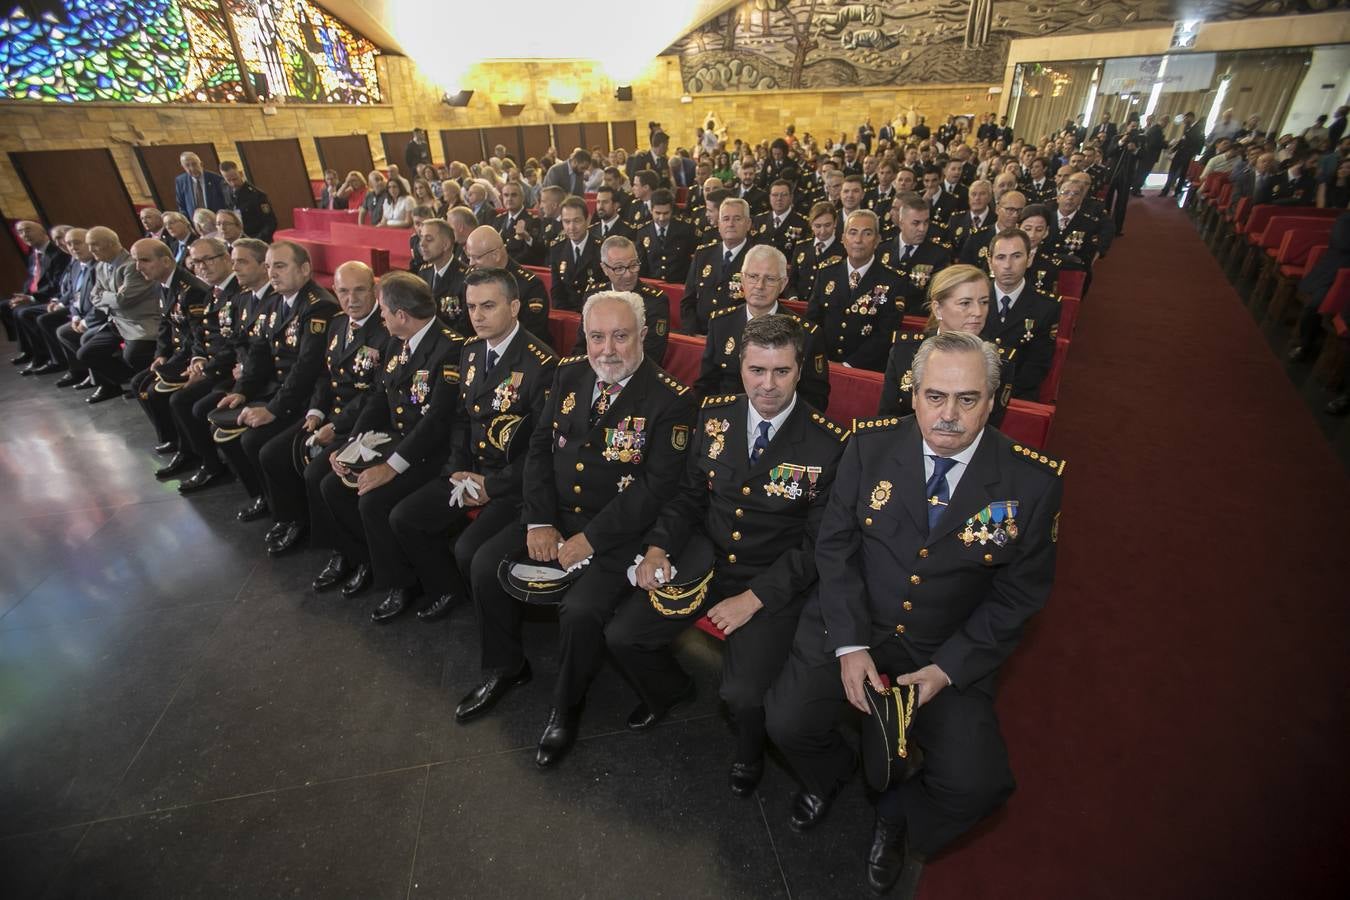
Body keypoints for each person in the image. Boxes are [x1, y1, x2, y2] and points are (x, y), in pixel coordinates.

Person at [765, 329, 1065, 896]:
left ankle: (896, 816)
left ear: (995, 399)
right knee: (784, 722)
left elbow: (1018, 597)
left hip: (944, 647)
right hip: (856, 623)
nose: (948, 415)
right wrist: (849, 646)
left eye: (968, 399)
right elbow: (835, 546)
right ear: (914, 393)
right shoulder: (869, 445)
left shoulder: (1033, 483)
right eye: (934, 396)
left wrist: (948, 669)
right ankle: (828, 778)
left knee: (978, 786)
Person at [454, 290, 694, 766]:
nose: (607, 349)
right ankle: (506, 667)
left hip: (617, 531)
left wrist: (592, 539)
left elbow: (655, 488)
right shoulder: (569, 373)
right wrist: (540, 521)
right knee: (484, 565)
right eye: (596, 336)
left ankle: (566, 707)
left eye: (621, 336)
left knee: (581, 611)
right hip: (556, 513)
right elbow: (539, 450)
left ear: (643, 336)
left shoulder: (671, 400)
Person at [615, 312, 849, 797]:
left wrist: (755, 599)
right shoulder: (715, 414)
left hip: (772, 582)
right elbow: (687, 496)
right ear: (740, 366)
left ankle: (750, 752)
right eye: (756, 370)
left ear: (799, 370)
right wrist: (659, 547)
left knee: (742, 694)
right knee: (623, 635)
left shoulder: (828, 444)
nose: (767, 385)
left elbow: (817, 547)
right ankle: (672, 690)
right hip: (705, 560)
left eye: (781, 371)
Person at [384, 267, 557, 625]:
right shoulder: (472, 351)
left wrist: (490, 486)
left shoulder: (541, 364)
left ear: (514, 307)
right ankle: (448, 590)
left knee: (469, 550)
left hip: (511, 484)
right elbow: (463, 419)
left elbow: (540, 452)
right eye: (472, 306)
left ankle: (512, 617)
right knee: (404, 518)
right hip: (470, 471)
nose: (477, 316)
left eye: (488, 306)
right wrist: (457, 470)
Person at [315, 271, 465, 620]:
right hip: (400, 440)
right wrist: (352, 444)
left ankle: (405, 583)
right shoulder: (399, 341)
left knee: (374, 501)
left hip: (432, 453)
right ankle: (370, 560)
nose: (379, 315)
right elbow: (381, 398)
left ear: (401, 314)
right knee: (331, 485)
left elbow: (436, 422)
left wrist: (390, 467)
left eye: (383, 309)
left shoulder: (450, 349)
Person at [256, 262, 390, 557]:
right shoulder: (337, 323)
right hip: (329, 414)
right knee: (273, 452)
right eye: (343, 291)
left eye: (359, 291)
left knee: (318, 474)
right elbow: (324, 375)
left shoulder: (386, 332)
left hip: (360, 422)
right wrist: (316, 412)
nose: (351, 299)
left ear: (375, 291)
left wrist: (337, 426)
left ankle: (346, 551)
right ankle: (295, 520)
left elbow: (375, 396)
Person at [207, 241, 339, 520]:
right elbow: (259, 351)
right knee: (231, 430)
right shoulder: (275, 301)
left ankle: (293, 516)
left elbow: (307, 367)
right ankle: (267, 498)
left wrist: (272, 410)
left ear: (305, 269)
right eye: (268, 267)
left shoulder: (318, 306)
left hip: (308, 397)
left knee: (264, 448)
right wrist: (242, 391)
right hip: (280, 389)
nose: (272, 273)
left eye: (280, 266)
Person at [174, 238, 277, 494]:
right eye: (196, 262)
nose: (235, 267)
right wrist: (202, 361)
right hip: (244, 374)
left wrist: (239, 375)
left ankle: (255, 487)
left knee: (199, 408)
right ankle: (233, 475)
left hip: (264, 380)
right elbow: (233, 340)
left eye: (241, 261)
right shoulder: (243, 298)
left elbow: (273, 351)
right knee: (194, 406)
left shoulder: (273, 300)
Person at [150, 237, 246, 478]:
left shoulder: (239, 291)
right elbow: (200, 334)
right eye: (196, 262)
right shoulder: (213, 291)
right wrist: (197, 359)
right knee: (160, 389)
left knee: (184, 402)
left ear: (226, 258)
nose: (202, 266)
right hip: (214, 364)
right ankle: (196, 456)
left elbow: (235, 342)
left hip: (229, 369)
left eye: (208, 259)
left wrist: (208, 369)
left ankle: (211, 465)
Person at [880, 264, 1014, 426]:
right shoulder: (904, 351)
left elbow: (988, 427)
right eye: (965, 303)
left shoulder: (998, 361)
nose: (978, 312)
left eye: (984, 302)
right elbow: (888, 419)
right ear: (937, 309)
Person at [698, 244, 828, 410]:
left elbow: (815, 399)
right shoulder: (720, 323)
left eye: (770, 279)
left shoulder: (806, 334)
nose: (759, 285)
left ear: (783, 284)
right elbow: (706, 384)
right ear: (742, 279)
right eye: (753, 276)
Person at [128, 240, 212, 452]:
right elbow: (165, 324)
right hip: (179, 351)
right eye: (136, 261)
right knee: (138, 383)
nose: (139, 267)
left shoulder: (191, 289)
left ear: (166, 261)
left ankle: (188, 448)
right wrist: (161, 354)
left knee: (158, 392)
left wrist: (188, 360)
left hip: (191, 353)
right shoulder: (164, 284)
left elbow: (198, 335)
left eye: (144, 260)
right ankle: (171, 438)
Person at [806, 209, 907, 372]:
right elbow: (812, 321)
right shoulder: (826, 272)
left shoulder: (894, 280)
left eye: (867, 233)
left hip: (866, 370)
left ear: (877, 240)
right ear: (843, 239)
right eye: (852, 233)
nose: (858, 240)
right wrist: (822, 358)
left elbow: (886, 333)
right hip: (823, 365)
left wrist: (848, 365)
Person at [80, 231, 161, 404]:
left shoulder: (132, 265)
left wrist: (106, 296)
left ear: (110, 243)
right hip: (116, 322)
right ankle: (126, 382)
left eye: (94, 244)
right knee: (86, 352)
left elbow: (123, 300)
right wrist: (110, 297)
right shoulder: (101, 265)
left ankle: (143, 383)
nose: (90, 249)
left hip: (139, 322)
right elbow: (94, 296)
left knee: (134, 354)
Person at [980, 229, 1059, 400]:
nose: (1008, 265)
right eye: (1000, 257)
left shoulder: (1046, 307)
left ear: (1029, 259)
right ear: (990, 261)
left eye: (1016, 256)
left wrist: (997, 395)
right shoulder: (974, 297)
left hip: (1016, 395)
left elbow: (1037, 365)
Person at [572, 236, 671, 362]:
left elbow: (652, 354)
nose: (628, 274)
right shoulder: (594, 296)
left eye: (633, 265)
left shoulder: (655, 302)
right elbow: (582, 344)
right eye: (619, 268)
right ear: (605, 269)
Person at [460, 225, 550, 340]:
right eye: (469, 257)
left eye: (476, 257)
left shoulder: (530, 286)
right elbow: (465, 327)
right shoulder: (471, 281)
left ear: (496, 255)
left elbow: (532, 333)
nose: (471, 263)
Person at [684, 197, 755, 334]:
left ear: (748, 224)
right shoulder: (702, 254)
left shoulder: (756, 259)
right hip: (700, 334)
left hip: (736, 337)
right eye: (726, 219)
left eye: (737, 218)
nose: (730, 224)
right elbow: (688, 301)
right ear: (719, 224)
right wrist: (692, 333)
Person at [5, 220, 71, 365]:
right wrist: (24, 295)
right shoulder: (34, 254)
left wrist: (32, 298)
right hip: (54, 298)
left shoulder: (60, 254)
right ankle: (31, 351)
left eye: (28, 229)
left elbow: (57, 285)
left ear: (43, 232)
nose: (24, 234)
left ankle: (48, 357)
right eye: (20, 232)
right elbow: (31, 279)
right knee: (8, 307)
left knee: (26, 313)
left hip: (51, 297)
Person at [879, 192, 952, 298]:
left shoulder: (939, 254)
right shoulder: (882, 249)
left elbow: (936, 295)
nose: (922, 229)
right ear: (902, 222)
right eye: (915, 223)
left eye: (926, 222)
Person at [548, 196, 604, 312]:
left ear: (587, 220)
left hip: (595, 313)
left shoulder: (601, 248)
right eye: (566, 222)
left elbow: (605, 291)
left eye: (577, 221)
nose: (571, 227)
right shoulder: (557, 248)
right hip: (567, 313)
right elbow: (557, 291)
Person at [636, 188, 696, 284]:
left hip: (678, 285)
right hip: (652, 286)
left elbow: (692, 262)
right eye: (657, 213)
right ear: (651, 210)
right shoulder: (643, 231)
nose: (661, 218)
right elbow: (642, 265)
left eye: (666, 213)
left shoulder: (685, 229)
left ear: (672, 211)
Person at [790, 202, 845, 301]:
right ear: (811, 225)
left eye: (827, 225)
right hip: (799, 305)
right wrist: (793, 297)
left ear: (835, 223)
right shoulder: (801, 247)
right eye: (818, 226)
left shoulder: (844, 250)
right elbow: (791, 280)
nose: (823, 231)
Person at [219, 161, 277, 241]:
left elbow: (271, 223)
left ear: (241, 174)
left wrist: (257, 240)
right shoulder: (225, 189)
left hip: (255, 238)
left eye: (235, 179)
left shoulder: (257, 195)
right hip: (236, 239)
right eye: (229, 180)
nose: (233, 183)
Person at [752, 180, 809, 256]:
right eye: (775, 195)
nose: (779, 198)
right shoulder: (759, 220)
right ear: (769, 197)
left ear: (791, 197)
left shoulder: (802, 223)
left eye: (784, 195)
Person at [1159, 112, 1206, 197]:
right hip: (1180, 153)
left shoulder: (1198, 129)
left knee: (1182, 174)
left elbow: (1199, 143)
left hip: (1188, 155)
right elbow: (1182, 140)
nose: (1184, 121)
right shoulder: (1187, 127)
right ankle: (1166, 190)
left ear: (1191, 118)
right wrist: (1173, 150)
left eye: (1185, 119)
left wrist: (1194, 154)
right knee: (1172, 172)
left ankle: (1177, 192)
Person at [175, 152, 229, 219]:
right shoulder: (180, 181)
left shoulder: (216, 179)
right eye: (187, 165)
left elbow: (226, 203)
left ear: (201, 164)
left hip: (216, 220)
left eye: (194, 164)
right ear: (183, 167)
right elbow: (181, 205)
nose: (192, 168)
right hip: (195, 224)